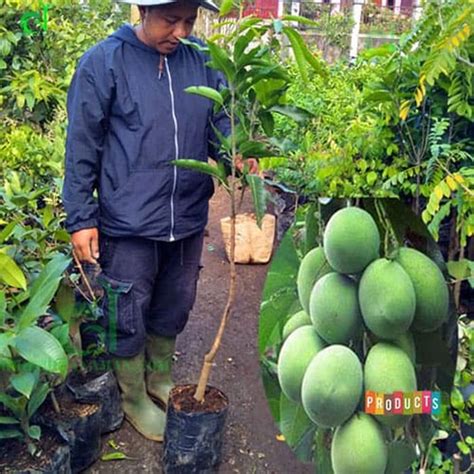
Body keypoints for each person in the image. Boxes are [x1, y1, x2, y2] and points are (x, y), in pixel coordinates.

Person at [62, 0, 257, 442]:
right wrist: (81, 218)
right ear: (143, 10)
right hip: (128, 219)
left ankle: (160, 378)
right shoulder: (104, 62)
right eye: (171, 19)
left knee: (176, 299)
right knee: (127, 308)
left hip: (186, 213)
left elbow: (220, 123)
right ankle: (132, 396)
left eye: (190, 20)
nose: (182, 31)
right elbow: (82, 145)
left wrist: (238, 153)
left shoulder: (202, 61)